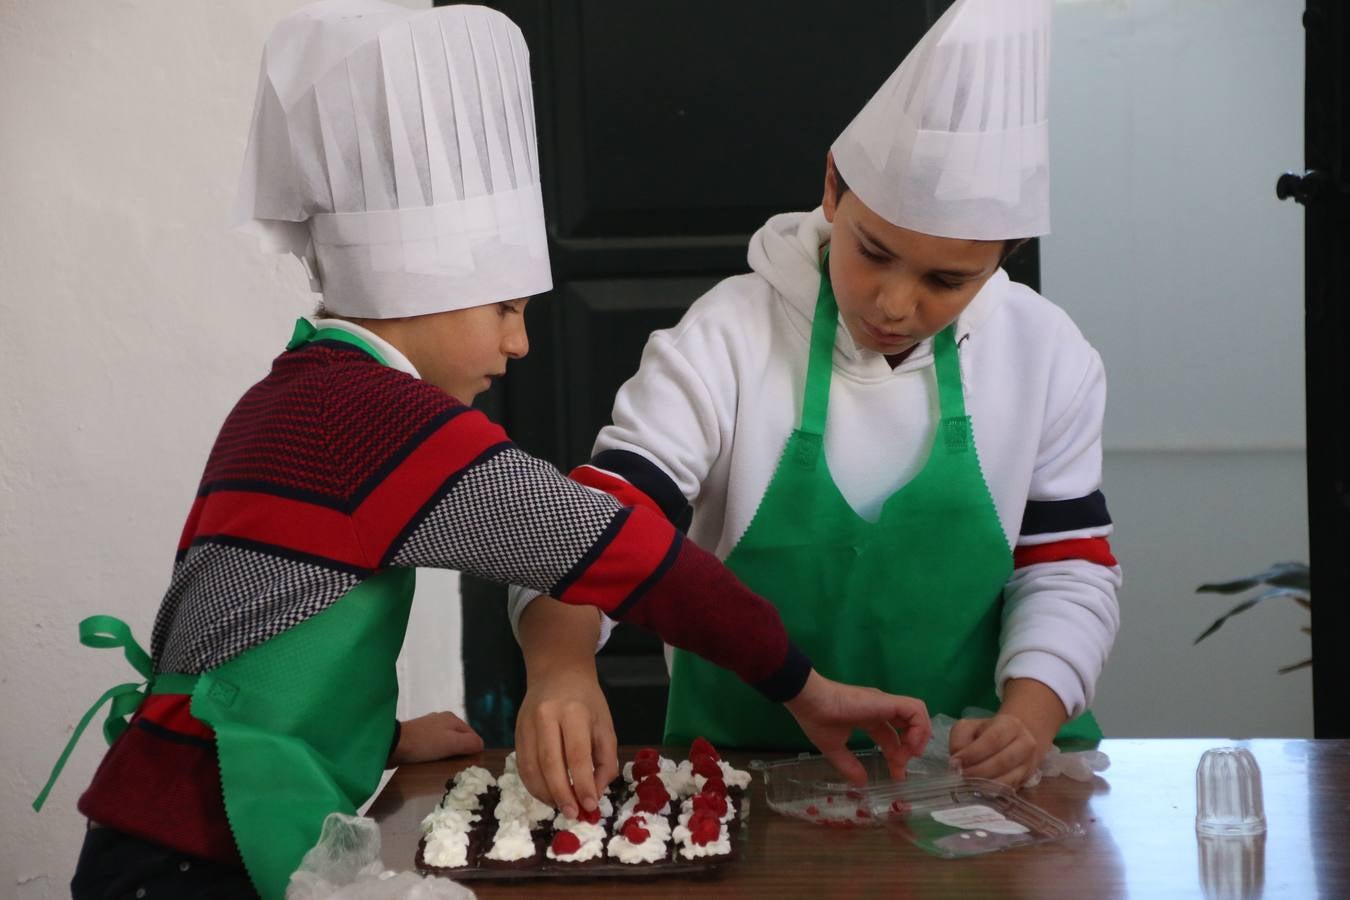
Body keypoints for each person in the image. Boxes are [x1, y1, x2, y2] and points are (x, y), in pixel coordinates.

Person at [34, 4, 931, 899]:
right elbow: (633, 555)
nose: (521, 346)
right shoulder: (391, 424)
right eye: (506, 308)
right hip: (203, 850)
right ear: (418, 294)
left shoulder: (286, 397)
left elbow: (236, 637)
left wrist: (377, 740)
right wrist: (799, 683)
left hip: (141, 833)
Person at [510, 0, 1121, 790]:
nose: (895, 305)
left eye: (947, 280)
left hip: (982, 792)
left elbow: (1067, 562)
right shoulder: (729, 338)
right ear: (833, 187)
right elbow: (599, 521)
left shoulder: (1047, 354)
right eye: (874, 252)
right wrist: (560, 666)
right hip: (748, 776)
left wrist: (1031, 716)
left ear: (1006, 255)